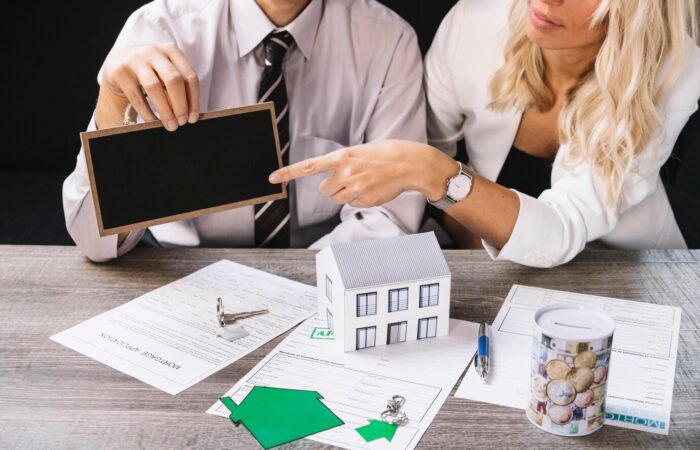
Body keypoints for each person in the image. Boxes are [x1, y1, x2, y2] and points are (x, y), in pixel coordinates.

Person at [270, 0, 700, 268]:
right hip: (486, 257)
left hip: (624, 269)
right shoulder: (475, 21)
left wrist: (432, 171)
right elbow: (424, 155)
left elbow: (562, 230)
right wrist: (482, 242)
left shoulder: (673, 73)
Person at [63, 0, 426, 262]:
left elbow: (389, 217)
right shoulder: (161, 28)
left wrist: (297, 281)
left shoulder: (389, 41)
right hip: (178, 268)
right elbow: (94, 243)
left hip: (319, 270)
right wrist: (112, 103)